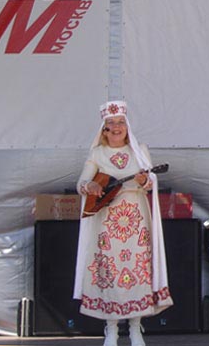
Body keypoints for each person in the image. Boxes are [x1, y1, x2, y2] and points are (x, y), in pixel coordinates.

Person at [73, 101, 172, 346]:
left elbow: (151, 182)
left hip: (136, 220)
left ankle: (136, 328)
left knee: (138, 271)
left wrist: (144, 181)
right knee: (110, 272)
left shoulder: (139, 150)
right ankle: (112, 330)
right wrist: (90, 186)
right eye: (111, 123)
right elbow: (81, 183)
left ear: (127, 126)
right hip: (107, 222)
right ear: (104, 129)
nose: (116, 127)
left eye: (121, 122)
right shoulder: (97, 153)